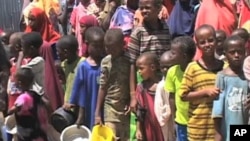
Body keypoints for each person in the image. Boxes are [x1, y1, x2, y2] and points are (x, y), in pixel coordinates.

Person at [179, 24, 225, 141]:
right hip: (198, 128)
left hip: (220, 128)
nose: (207, 45)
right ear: (197, 45)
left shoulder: (225, 68)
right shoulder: (193, 68)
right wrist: (205, 92)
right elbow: (183, 95)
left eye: (210, 40)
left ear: (216, 41)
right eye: (202, 42)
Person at [94, 29, 130, 140]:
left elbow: (133, 83)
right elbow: (102, 86)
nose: (109, 51)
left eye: (113, 48)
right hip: (110, 107)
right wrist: (97, 113)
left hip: (125, 108)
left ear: (122, 44)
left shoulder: (129, 60)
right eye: (107, 47)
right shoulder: (105, 62)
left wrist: (131, 100)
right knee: (112, 137)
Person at [212, 35, 249, 141]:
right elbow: (217, 110)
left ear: (245, 52)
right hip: (229, 127)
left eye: (240, 51)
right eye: (232, 52)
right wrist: (218, 134)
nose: (236, 55)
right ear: (225, 54)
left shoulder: (248, 75)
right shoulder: (222, 77)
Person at [70, 27, 105, 129]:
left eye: (101, 46)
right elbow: (78, 88)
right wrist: (74, 105)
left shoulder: (105, 63)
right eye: (95, 46)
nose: (99, 49)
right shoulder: (84, 66)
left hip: (103, 104)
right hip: (88, 102)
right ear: (87, 44)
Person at [165, 36, 196, 141]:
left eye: (173, 53)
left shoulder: (196, 70)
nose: (170, 55)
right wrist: (174, 119)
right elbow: (172, 97)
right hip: (181, 121)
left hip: (197, 121)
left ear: (184, 56)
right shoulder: (172, 72)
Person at [8, 67, 48, 141]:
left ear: (19, 82)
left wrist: (7, 112)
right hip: (39, 133)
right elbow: (47, 103)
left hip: (28, 135)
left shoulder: (23, 98)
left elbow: (11, 111)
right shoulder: (35, 94)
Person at [135, 52, 164, 141]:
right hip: (149, 127)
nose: (139, 72)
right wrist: (138, 129)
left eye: (141, 68)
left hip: (163, 126)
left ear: (152, 67)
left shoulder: (164, 85)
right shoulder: (141, 88)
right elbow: (140, 111)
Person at [56, 35, 85, 110]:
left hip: (80, 106)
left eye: (58, 51)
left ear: (66, 52)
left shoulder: (83, 64)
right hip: (67, 104)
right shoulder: (63, 65)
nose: (57, 54)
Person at [154, 50, 176, 141]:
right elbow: (158, 108)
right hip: (168, 123)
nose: (165, 70)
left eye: (168, 67)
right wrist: (169, 111)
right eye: (163, 67)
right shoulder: (161, 86)